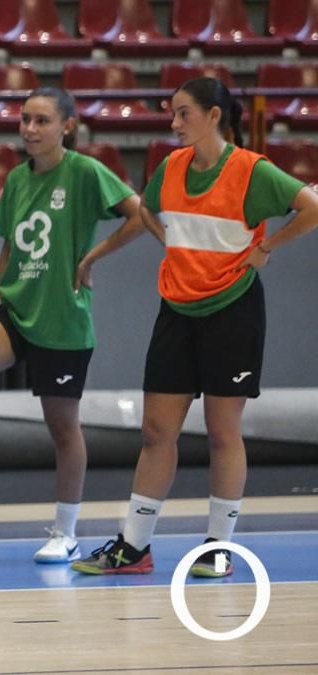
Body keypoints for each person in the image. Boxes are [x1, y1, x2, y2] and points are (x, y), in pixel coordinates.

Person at [73, 78, 318, 576]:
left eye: (183, 113)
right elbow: (146, 207)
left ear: (213, 116)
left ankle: (217, 548)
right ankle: (134, 546)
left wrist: (265, 248)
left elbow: (311, 207)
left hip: (233, 310)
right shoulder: (172, 167)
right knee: (156, 430)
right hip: (177, 311)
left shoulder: (252, 171)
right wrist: (175, 245)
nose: (174, 123)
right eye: (172, 113)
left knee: (222, 431)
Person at [0, 88, 145, 563]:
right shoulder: (18, 179)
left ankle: (65, 532)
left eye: (42, 120)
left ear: (67, 126)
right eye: (25, 119)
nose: (29, 129)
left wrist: (96, 255)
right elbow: (7, 244)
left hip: (63, 318)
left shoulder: (84, 172)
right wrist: (0, 294)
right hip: (16, 309)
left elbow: (139, 213)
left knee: (62, 429)